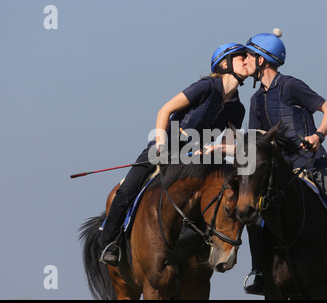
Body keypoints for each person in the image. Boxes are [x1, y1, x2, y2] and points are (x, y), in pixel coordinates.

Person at [242, 29, 327, 293]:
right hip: (282, 173)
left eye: (249, 56)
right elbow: (256, 141)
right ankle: (258, 271)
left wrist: (318, 135)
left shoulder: (291, 85)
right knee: (253, 214)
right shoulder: (255, 101)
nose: (245, 61)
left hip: (313, 165)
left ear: (262, 60)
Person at [99, 43, 248, 266]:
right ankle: (109, 242)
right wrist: (160, 144)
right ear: (225, 63)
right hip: (165, 148)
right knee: (127, 190)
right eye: (241, 58)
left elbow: (226, 144)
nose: (247, 61)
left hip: (196, 161)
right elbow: (165, 110)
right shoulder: (205, 87)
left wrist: (214, 149)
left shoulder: (238, 108)